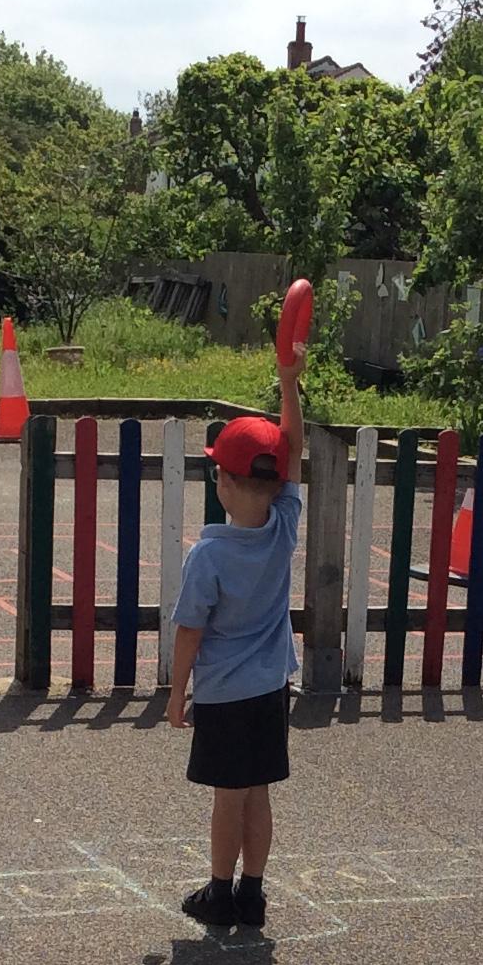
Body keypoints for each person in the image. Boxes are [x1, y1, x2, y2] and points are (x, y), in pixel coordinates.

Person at [167, 335, 305, 930]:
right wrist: (289, 381)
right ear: (276, 484)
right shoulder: (283, 526)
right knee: (258, 791)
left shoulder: (209, 555)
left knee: (228, 796)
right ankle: (253, 894)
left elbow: (189, 632)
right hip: (271, 688)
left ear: (221, 481)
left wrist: (176, 693)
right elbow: (293, 450)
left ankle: (219, 893)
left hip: (223, 692)